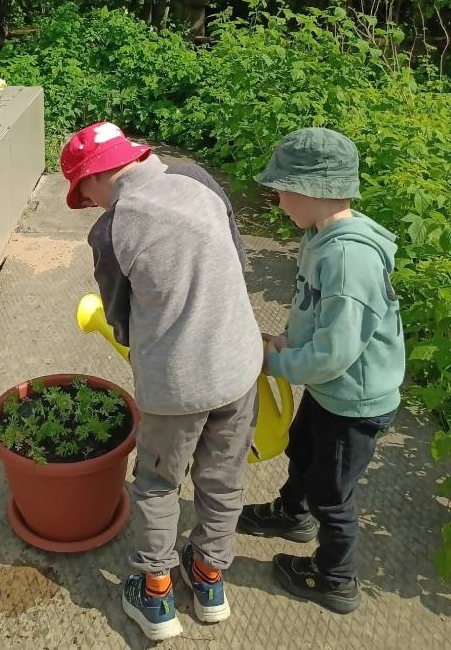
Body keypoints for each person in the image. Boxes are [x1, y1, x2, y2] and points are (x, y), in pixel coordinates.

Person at [61, 121, 262, 640]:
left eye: (83, 192)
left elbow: (120, 319)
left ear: (95, 175)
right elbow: (237, 260)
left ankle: (155, 596)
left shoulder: (111, 229)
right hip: (239, 366)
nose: (87, 204)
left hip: (176, 386)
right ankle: (210, 579)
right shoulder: (197, 178)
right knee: (222, 478)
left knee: (157, 485)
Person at [239, 127, 405, 614]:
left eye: (282, 189)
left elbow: (336, 351)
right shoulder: (318, 236)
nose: (277, 200)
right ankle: (292, 514)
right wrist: (288, 340)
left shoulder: (349, 258)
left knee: (332, 494)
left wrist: (275, 363)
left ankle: (336, 577)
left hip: (354, 401)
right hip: (330, 389)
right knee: (303, 449)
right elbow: (314, 312)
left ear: (313, 190)